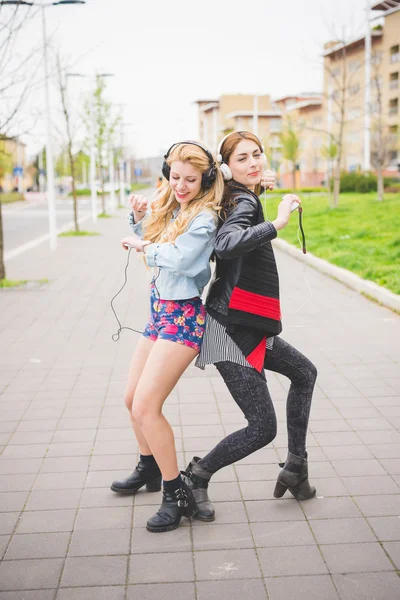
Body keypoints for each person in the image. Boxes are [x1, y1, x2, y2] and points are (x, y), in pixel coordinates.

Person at [182, 131, 317, 522]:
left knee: (305, 373)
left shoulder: (236, 193)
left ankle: (296, 466)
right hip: (228, 331)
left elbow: (238, 191)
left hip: (246, 322)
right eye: (242, 158)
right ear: (227, 167)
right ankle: (195, 478)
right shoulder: (241, 200)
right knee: (261, 428)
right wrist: (277, 220)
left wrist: (258, 185)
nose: (254, 162)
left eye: (257, 154)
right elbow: (227, 243)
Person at [110, 141, 224, 533]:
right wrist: (138, 219)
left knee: (145, 406)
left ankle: (176, 492)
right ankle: (149, 467)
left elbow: (182, 258)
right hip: (160, 311)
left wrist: (143, 244)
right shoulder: (177, 207)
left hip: (184, 317)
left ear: (206, 179)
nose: (180, 185)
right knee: (130, 399)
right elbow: (158, 241)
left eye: (190, 179)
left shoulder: (205, 216)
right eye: (174, 177)